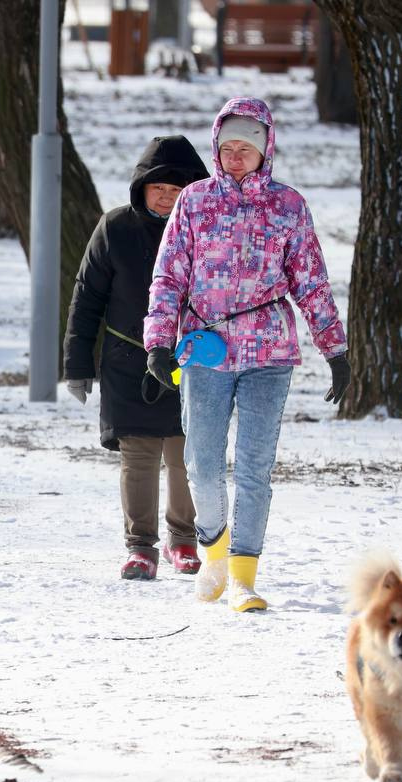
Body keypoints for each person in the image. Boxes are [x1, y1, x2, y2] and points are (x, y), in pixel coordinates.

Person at [143, 96, 351, 612]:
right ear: (216, 148)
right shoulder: (193, 201)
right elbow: (168, 277)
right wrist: (158, 343)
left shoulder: (288, 206)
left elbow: (312, 284)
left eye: (247, 148)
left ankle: (243, 578)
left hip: (269, 354)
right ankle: (213, 549)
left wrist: (336, 350)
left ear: (265, 150)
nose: (236, 157)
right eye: (228, 147)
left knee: (255, 468)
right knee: (203, 464)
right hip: (206, 353)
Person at [63, 135, 211, 581]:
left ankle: (183, 540)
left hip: (191, 359)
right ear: (141, 188)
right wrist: (77, 365)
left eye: (176, 191)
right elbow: (86, 298)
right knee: (139, 456)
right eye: (158, 189)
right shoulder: (114, 229)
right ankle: (140, 546)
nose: (166, 199)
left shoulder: (207, 231)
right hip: (128, 364)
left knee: (187, 454)